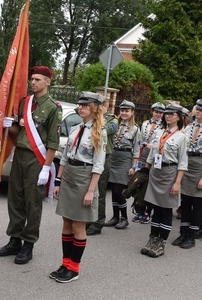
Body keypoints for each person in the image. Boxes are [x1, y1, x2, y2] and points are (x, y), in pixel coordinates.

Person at [0, 66, 61, 265]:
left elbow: (52, 142)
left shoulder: (52, 107)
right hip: (20, 156)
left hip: (36, 159)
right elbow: (19, 131)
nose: (34, 82)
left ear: (48, 82)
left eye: (38, 79)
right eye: (32, 79)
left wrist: (47, 167)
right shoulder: (25, 102)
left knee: (32, 202)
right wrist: (9, 125)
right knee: (15, 199)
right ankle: (14, 239)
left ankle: (28, 243)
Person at [51, 92, 107, 283]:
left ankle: (74, 268)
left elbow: (99, 165)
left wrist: (91, 191)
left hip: (85, 177)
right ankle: (65, 263)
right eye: (80, 105)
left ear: (94, 108)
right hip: (69, 176)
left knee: (78, 224)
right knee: (66, 222)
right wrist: (58, 181)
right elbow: (65, 158)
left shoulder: (99, 133)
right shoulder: (76, 129)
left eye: (85, 105)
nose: (80, 108)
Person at [140, 104, 188, 258]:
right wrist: (145, 170)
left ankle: (161, 243)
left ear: (179, 117)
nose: (168, 116)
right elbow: (152, 153)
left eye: (172, 114)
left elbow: (182, 162)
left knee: (166, 209)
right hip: (155, 172)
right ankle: (152, 239)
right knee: (155, 208)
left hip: (169, 173)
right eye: (166, 114)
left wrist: (177, 182)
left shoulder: (182, 136)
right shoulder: (159, 132)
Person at [172, 99, 202, 249]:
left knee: (197, 203)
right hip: (187, 164)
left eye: (201, 110)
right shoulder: (189, 127)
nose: (197, 112)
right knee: (185, 202)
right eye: (196, 109)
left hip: (200, 165)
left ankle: (191, 235)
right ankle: (183, 232)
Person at [129, 102, 165, 223]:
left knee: (149, 185)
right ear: (152, 111)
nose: (158, 114)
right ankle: (138, 209)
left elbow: (161, 141)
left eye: (160, 112)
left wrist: (153, 145)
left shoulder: (163, 127)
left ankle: (147, 212)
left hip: (153, 158)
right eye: (156, 111)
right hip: (143, 156)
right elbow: (140, 139)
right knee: (139, 183)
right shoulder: (145, 124)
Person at [86, 99, 118, 236]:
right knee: (87, 189)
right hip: (89, 157)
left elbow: (107, 130)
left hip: (104, 158)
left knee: (99, 192)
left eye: (99, 106)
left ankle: (98, 222)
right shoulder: (91, 118)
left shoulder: (112, 120)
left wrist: (98, 118)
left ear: (104, 107)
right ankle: (88, 219)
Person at [106, 100, 138, 229]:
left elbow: (136, 149)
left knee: (118, 190)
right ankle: (115, 217)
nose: (124, 113)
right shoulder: (115, 124)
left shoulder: (135, 128)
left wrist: (133, 167)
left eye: (127, 111)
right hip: (113, 157)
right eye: (122, 110)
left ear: (132, 113)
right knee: (113, 190)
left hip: (125, 159)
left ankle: (124, 218)